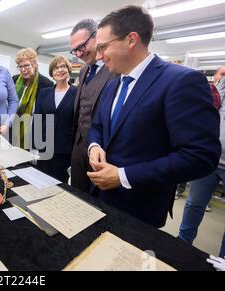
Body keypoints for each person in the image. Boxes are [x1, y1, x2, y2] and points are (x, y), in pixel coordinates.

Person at [86, 6, 221, 228]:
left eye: (103, 47)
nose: (99, 57)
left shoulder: (181, 81)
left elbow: (201, 156)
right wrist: (94, 145)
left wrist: (123, 176)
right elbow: (98, 126)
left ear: (131, 40)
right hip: (100, 198)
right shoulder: (113, 84)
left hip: (140, 207)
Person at [178, 75, 225, 256]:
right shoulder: (219, 91)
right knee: (194, 205)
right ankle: (183, 244)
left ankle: (223, 258)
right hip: (210, 159)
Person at [69, 19, 118, 193]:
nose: (79, 54)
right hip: (78, 148)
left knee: (97, 202)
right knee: (76, 194)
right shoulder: (83, 71)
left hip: (102, 153)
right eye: (74, 50)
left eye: (81, 46)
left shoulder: (115, 68)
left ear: (96, 36)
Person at [34, 56, 77, 182]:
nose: (60, 70)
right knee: (41, 181)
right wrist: (34, 147)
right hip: (44, 148)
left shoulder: (77, 93)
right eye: (56, 68)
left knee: (59, 183)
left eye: (63, 66)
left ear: (68, 70)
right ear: (52, 73)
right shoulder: (44, 92)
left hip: (65, 150)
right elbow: (38, 119)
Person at [12, 48, 53, 149]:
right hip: (13, 129)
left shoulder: (46, 84)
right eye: (20, 66)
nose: (23, 69)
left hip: (34, 130)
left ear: (34, 64)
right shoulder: (14, 80)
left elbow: (47, 114)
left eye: (26, 65)